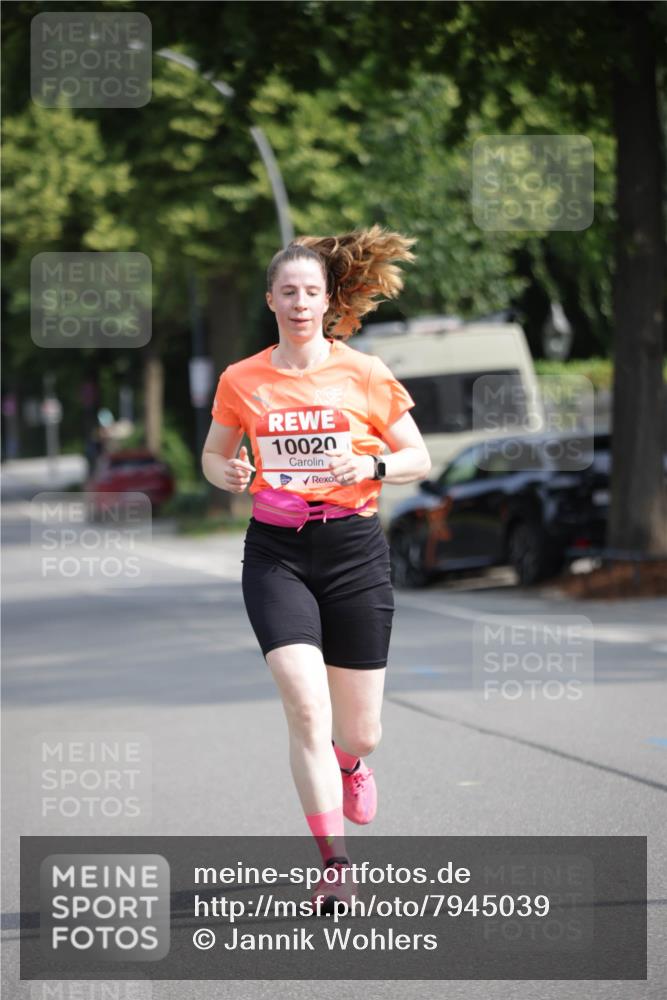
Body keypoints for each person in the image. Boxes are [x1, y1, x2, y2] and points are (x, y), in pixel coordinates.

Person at [202, 225, 431, 912]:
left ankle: (350, 762)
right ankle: (334, 864)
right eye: (287, 292)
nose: (299, 302)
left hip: (353, 549)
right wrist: (230, 473)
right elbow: (214, 456)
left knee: (357, 730)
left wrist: (371, 464)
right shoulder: (242, 379)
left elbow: (417, 456)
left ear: (327, 300)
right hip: (276, 554)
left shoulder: (363, 372)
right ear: (270, 300)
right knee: (305, 707)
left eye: (311, 291)